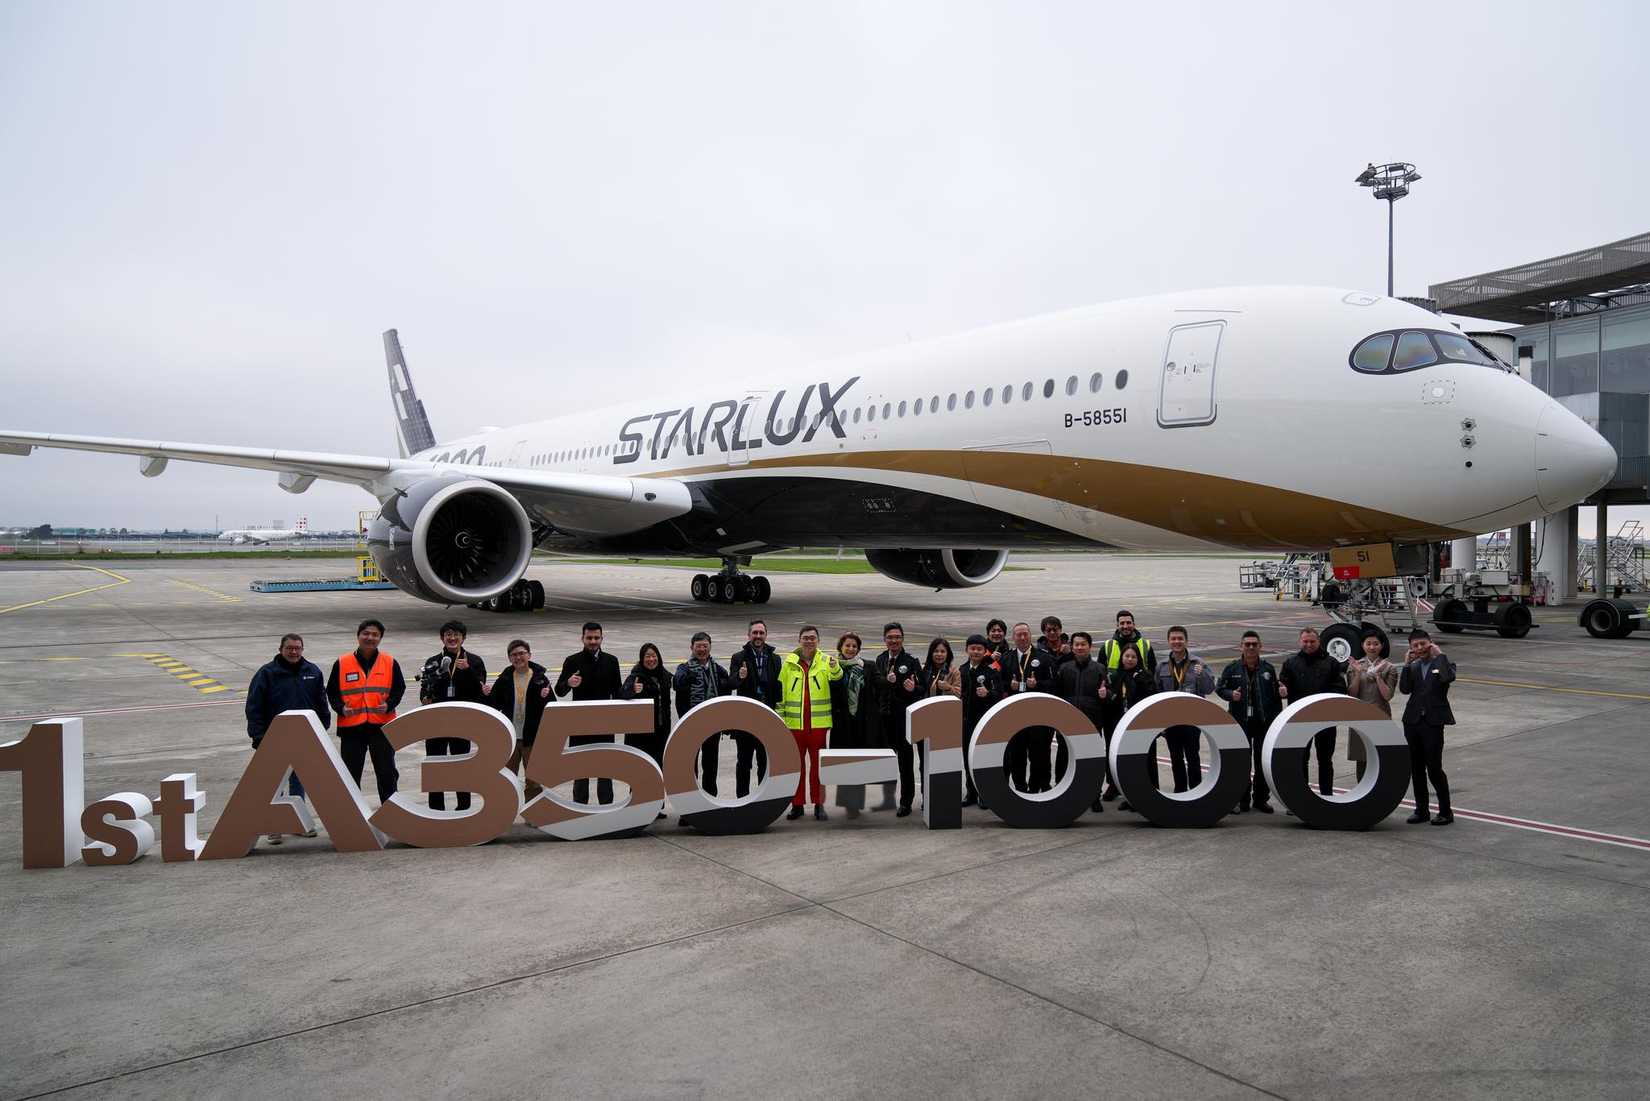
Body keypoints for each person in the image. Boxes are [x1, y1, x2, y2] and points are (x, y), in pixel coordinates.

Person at [245, 632, 328, 845]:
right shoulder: (267, 673)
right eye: (289, 648)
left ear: (302, 649)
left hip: (304, 736)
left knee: (299, 780)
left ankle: (296, 822)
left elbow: (321, 702)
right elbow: (254, 706)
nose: (293, 652)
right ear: (281, 649)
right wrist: (258, 735)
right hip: (273, 738)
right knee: (275, 782)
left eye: (297, 648)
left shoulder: (313, 671)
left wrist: (322, 728)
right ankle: (274, 826)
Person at [326, 618, 404, 805]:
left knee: (386, 772)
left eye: (375, 635)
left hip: (382, 726)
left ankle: (391, 812)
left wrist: (389, 704)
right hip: (352, 728)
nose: (370, 638)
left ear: (380, 638)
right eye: (366, 634)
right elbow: (332, 691)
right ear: (358, 636)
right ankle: (352, 815)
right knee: (350, 774)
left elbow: (398, 689)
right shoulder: (343, 662)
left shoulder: (389, 662)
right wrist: (341, 708)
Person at [418, 620, 488, 812]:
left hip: (461, 722)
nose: (452, 637)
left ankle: (463, 808)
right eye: (448, 634)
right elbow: (425, 688)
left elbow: (481, 691)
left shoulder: (474, 661)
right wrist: (424, 698)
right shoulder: (433, 661)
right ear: (442, 638)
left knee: (461, 766)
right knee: (435, 766)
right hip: (436, 722)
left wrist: (468, 671)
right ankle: (436, 809)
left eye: (456, 634)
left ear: (463, 638)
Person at [555, 622, 624, 805]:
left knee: (605, 770)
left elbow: (617, 692)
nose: (593, 641)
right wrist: (568, 683)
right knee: (580, 771)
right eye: (589, 638)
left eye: (596, 638)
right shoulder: (572, 661)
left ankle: (607, 807)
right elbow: (559, 691)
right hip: (580, 723)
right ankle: (579, 808)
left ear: (602, 638)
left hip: (604, 723)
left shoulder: (611, 661)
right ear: (582, 638)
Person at [779, 625, 842, 821]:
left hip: (818, 724)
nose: (809, 641)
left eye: (812, 638)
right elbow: (781, 692)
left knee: (818, 767)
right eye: (805, 638)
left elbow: (837, 677)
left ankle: (819, 804)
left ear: (818, 641)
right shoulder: (789, 663)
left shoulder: (826, 660)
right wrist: (781, 717)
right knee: (797, 766)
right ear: (799, 640)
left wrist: (835, 667)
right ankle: (796, 805)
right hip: (794, 724)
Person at [1216, 630, 1282, 813]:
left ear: (1260, 646)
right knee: (1242, 762)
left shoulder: (1268, 669)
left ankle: (1260, 799)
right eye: (1247, 644)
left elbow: (1275, 697)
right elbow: (1220, 689)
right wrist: (1231, 695)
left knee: (1262, 762)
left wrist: (1275, 720)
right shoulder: (1232, 668)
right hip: (1240, 722)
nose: (1251, 647)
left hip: (1262, 723)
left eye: (1254, 644)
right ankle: (1242, 799)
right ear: (1241, 647)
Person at [1280, 626, 1347, 797]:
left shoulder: (1331, 663)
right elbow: (1283, 685)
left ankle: (1327, 795)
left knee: (1325, 760)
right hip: (1299, 719)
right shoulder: (1290, 662)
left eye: (1312, 641)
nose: (1308, 644)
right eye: (1305, 641)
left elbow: (1340, 688)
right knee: (1301, 759)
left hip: (1325, 718)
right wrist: (1281, 690)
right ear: (1299, 642)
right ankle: (1301, 796)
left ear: (1319, 642)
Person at [1399, 629, 1455, 825]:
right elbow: (1405, 689)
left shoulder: (1443, 663)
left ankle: (1446, 811)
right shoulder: (1413, 667)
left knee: (1434, 767)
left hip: (1433, 721)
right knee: (1416, 767)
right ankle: (1421, 810)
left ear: (1430, 643)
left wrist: (1440, 655)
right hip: (1413, 721)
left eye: (1423, 644)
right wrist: (1406, 664)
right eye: (1415, 645)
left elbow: (1447, 678)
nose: (1420, 648)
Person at [1152, 626, 1216, 792]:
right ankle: (1180, 790)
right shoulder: (1162, 666)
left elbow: (1209, 689)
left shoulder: (1198, 664)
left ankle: (1196, 790)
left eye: (1180, 638)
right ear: (1168, 641)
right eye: (1173, 639)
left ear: (1186, 641)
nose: (1177, 642)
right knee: (1176, 758)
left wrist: (1202, 675)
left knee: (1193, 756)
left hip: (1192, 720)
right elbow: (1157, 694)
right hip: (1171, 720)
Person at [488, 639, 552, 803]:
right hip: (510, 738)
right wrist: (486, 693)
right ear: (510, 658)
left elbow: (552, 708)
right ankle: (507, 811)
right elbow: (492, 705)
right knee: (508, 779)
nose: (518, 657)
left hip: (532, 738)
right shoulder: (504, 679)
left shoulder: (541, 679)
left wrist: (546, 697)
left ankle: (533, 813)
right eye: (514, 655)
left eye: (522, 653)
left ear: (529, 655)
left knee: (533, 780)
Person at [873, 622, 926, 817]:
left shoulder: (911, 661)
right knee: (884, 761)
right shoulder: (879, 660)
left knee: (905, 762)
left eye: (897, 637)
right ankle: (884, 798)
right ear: (885, 640)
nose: (893, 640)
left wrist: (913, 689)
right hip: (883, 719)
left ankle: (906, 801)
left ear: (902, 639)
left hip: (902, 720)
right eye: (890, 637)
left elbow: (923, 688)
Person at [673, 631, 731, 804]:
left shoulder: (718, 669)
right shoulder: (684, 668)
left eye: (705, 646)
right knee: (690, 768)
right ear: (691, 648)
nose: (702, 649)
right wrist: (689, 677)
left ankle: (709, 800)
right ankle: (691, 805)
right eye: (698, 646)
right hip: (691, 724)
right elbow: (677, 684)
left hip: (712, 725)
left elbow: (726, 690)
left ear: (710, 647)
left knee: (710, 766)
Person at [1054, 630, 1106, 812]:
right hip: (1067, 721)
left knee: (1091, 761)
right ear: (1072, 647)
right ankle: (1061, 792)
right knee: (1064, 758)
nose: (1079, 647)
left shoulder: (1099, 669)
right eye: (1076, 644)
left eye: (1083, 644)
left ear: (1089, 647)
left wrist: (1105, 695)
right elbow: (1057, 696)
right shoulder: (1064, 668)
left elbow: (1107, 697)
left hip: (1091, 722)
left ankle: (1094, 796)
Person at [727, 619, 779, 797]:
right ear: (748, 635)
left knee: (764, 762)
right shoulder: (738, 657)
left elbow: (777, 690)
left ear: (766, 635)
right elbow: (731, 684)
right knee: (744, 762)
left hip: (766, 717)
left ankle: (763, 798)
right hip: (746, 718)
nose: (758, 636)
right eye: (754, 633)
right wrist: (740, 677)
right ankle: (742, 798)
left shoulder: (774, 658)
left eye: (761, 633)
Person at [1100, 644, 1155, 811]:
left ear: (1138, 659)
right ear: (1121, 658)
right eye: (1127, 656)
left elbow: (1150, 696)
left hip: (1137, 724)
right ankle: (1122, 790)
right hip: (1117, 723)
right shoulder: (1115, 676)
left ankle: (1141, 795)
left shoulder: (1144, 676)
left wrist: (1139, 682)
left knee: (1137, 760)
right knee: (1120, 759)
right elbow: (1112, 699)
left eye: (1133, 657)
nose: (1129, 659)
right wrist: (1107, 695)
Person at [624, 642, 672, 819]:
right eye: (648, 656)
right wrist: (632, 690)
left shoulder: (665, 676)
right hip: (641, 734)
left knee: (658, 770)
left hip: (660, 731)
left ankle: (656, 806)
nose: (651, 659)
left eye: (654, 656)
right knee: (641, 771)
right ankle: (637, 807)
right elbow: (622, 693)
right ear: (642, 659)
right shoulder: (636, 676)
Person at [956, 634, 1004, 809]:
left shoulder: (991, 672)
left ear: (985, 651)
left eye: (979, 649)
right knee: (967, 758)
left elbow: (1000, 695)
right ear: (967, 649)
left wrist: (988, 694)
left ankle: (984, 793)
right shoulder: (960, 671)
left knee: (983, 759)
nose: (975, 651)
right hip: (966, 723)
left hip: (984, 723)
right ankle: (971, 792)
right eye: (972, 648)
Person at [1344, 630, 1398, 782]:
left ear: (1381, 646)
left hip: (1380, 715)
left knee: (1381, 756)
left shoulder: (1389, 667)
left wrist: (1378, 676)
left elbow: (1387, 695)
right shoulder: (1355, 666)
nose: (1372, 647)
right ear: (1362, 645)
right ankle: (1362, 789)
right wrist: (1356, 674)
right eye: (1368, 643)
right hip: (1359, 716)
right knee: (1361, 758)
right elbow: (1352, 694)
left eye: (1376, 644)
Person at [830, 633, 874, 817]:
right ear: (841, 647)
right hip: (841, 721)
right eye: (847, 646)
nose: (851, 649)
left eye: (854, 646)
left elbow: (877, 686)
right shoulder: (833, 667)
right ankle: (847, 801)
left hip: (860, 720)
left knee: (858, 760)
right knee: (844, 760)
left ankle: (856, 802)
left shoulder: (867, 667)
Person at [1100, 609, 1156, 675]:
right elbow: (1100, 673)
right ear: (1117, 626)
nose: (1125, 626)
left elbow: (1153, 672)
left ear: (1134, 624)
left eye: (1128, 623)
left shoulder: (1146, 646)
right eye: (1122, 623)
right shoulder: (1107, 647)